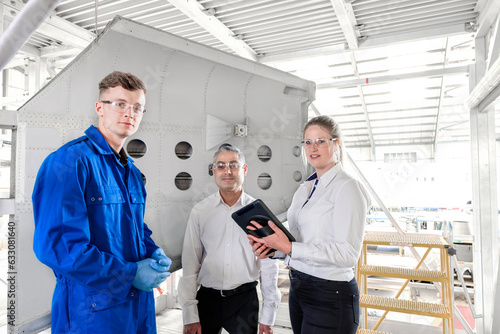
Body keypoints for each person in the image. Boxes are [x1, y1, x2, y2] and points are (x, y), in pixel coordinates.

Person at [32, 71, 171, 334]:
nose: (130, 113)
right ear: (100, 108)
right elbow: (58, 247)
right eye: (120, 104)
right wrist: (130, 275)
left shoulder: (130, 170)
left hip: (137, 309)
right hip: (91, 313)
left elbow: (132, 228)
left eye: (137, 107)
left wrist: (152, 251)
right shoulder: (69, 162)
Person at [247, 115, 371, 334]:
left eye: (321, 141)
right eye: (308, 142)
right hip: (299, 288)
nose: (313, 148)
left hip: (330, 294)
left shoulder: (347, 187)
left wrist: (288, 247)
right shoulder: (306, 188)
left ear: (337, 144)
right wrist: (272, 249)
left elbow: (347, 255)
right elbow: (299, 243)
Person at [178, 145, 281, 334]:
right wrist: (190, 315)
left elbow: (268, 267)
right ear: (213, 170)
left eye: (233, 165)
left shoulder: (259, 213)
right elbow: (190, 265)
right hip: (207, 301)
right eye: (221, 166)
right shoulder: (201, 211)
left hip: (244, 302)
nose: (227, 171)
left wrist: (268, 315)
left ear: (245, 169)